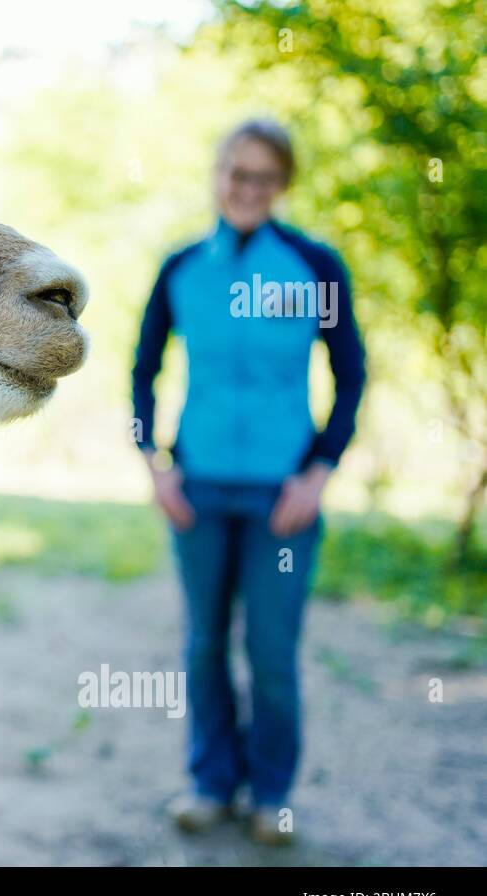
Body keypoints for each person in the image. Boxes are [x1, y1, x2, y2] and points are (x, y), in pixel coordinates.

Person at [131, 119, 366, 846]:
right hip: (198, 492)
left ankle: (270, 795)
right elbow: (142, 373)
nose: (246, 188)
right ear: (217, 173)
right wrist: (156, 467)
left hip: (280, 502)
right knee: (203, 645)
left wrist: (318, 474)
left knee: (269, 651)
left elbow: (351, 375)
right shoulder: (181, 268)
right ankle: (209, 783)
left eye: (263, 177)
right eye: (236, 173)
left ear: (282, 185)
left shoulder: (314, 266)